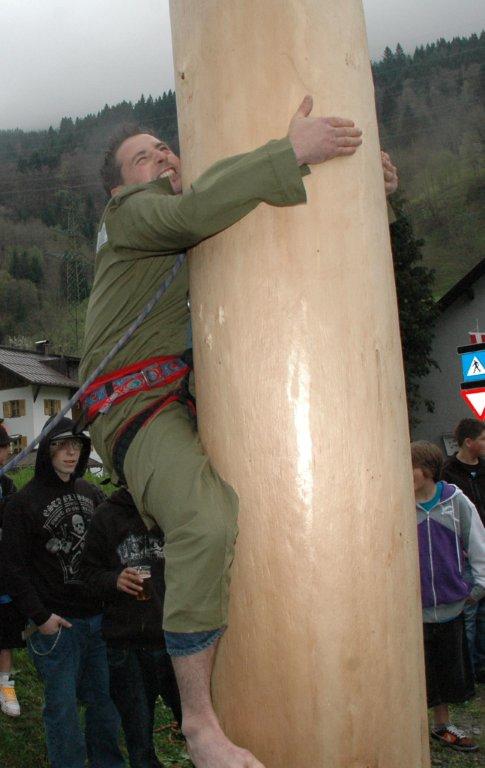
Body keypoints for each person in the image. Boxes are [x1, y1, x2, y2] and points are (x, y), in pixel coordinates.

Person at [79, 95, 397, 768]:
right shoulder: (130, 216)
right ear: (118, 189)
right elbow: (194, 210)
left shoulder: (189, 221)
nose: (162, 157)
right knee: (204, 521)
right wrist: (290, 151)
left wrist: (358, 190)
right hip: (133, 406)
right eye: (143, 158)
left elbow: (257, 228)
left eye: (165, 148)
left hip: (182, 396)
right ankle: (199, 724)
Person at [1, 417, 125, 768]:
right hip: (57, 626)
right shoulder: (23, 503)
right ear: (47, 449)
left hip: (98, 620)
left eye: (78, 446)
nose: (71, 453)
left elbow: (109, 548)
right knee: (62, 708)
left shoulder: (91, 493)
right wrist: (41, 617)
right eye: (62, 445)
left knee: (104, 703)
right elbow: (12, 568)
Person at [81, 486, 182, 768]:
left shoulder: (171, 507)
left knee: (196, 727)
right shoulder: (106, 515)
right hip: (127, 645)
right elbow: (87, 574)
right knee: (140, 740)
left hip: (176, 639)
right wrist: (114, 580)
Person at [412, 440, 485, 752]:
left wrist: (478, 586)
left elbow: (477, 542)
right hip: (413, 611)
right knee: (419, 672)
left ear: (428, 470)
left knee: (448, 671)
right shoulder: (398, 505)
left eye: (411, 467)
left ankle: (442, 725)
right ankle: (411, 728)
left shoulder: (455, 502)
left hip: (451, 607)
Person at [441, 418, 485, 683]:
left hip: (483, 551)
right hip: (465, 554)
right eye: (482, 439)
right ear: (469, 442)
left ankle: (481, 666)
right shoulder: (448, 473)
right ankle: (465, 673)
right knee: (468, 611)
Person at [0, 424, 23, 718]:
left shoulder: (8, 486)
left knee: (5, 634)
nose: (3, 453)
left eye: (4, 447)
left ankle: (5, 685)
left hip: (4, 572)